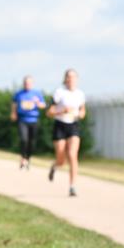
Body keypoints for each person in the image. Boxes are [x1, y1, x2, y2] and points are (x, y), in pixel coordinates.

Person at [47, 69, 86, 197]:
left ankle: (72, 186)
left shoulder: (80, 94)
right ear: (65, 79)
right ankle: (55, 166)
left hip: (73, 125)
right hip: (60, 125)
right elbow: (49, 112)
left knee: (72, 155)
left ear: (77, 79)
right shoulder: (59, 92)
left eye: (73, 77)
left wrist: (80, 114)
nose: (71, 79)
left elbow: (82, 111)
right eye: (69, 77)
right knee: (61, 159)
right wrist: (61, 111)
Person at [11, 76, 47, 170]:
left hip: (34, 120)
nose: (27, 84)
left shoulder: (37, 93)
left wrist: (38, 103)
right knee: (24, 139)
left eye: (29, 83)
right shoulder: (19, 93)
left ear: (32, 84)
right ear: (23, 83)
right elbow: (14, 104)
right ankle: (22, 158)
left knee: (32, 142)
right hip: (22, 119)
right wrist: (13, 113)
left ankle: (28, 158)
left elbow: (43, 105)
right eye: (25, 83)